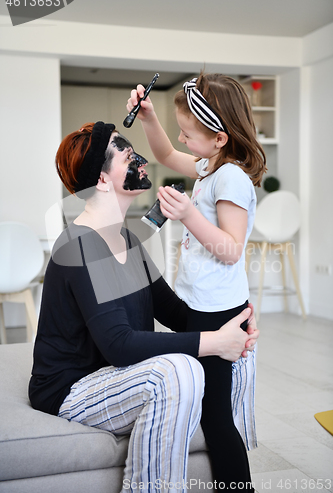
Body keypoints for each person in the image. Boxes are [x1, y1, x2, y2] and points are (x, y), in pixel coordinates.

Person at [29, 121, 259, 493]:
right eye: (128, 155)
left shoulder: (127, 241)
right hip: (72, 389)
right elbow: (119, 344)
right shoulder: (81, 245)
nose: (142, 162)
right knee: (176, 369)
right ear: (102, 180)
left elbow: (177, 314)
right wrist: (213, 342)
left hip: (113, 376)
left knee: (239, 350)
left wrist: (234, 325)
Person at [127, 73, 267, 491]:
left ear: (220, 137)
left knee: (216, 416)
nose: (183, 140)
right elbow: (167, 153)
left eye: (190, 133)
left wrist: (189, 215)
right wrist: (149, 117)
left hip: (218, 312)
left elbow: (230, 249)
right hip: (198, 304)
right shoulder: (209, 166)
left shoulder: (231, 179)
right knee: (202, 405)